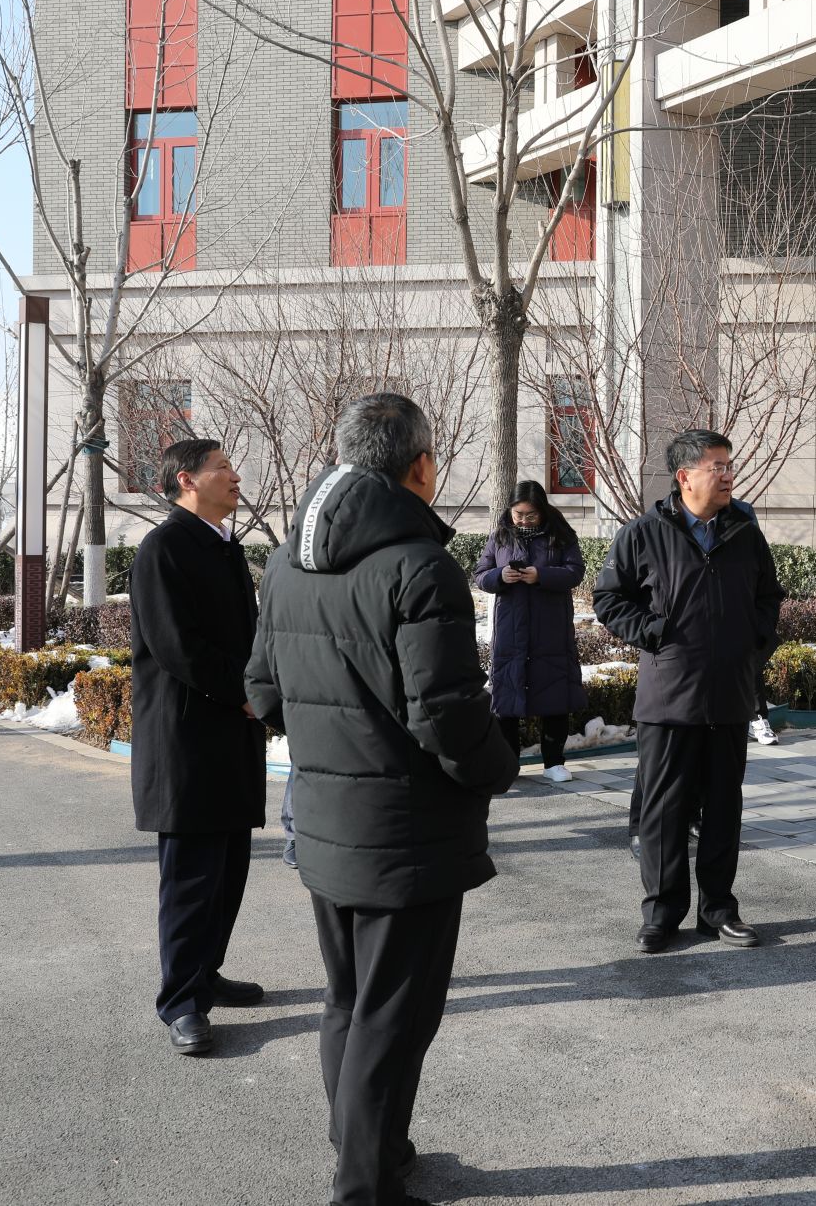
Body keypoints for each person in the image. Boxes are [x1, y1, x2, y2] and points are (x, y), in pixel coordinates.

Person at [245, 393, 517, 1206]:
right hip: (406, 831)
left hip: (324, 817)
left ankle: (371, 1148)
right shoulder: (420, 566)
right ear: (420, 466)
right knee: (394, 1014)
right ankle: (362, 1186)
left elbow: (263, 690)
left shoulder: (286, 561)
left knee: (349, 1001)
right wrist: (497, 766)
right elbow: (448, 716)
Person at [594, 429, 784, 954]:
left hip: (729, 695)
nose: (727, 475)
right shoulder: (642, 533)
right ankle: (661, 913)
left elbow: (768, 597)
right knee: (663, 813)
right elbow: (609, 600)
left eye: (729, 465)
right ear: (685, 477)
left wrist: (753, 645)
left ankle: (718, 911)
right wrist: (655, 633)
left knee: (723, 809)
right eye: (716, 466)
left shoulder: (744, 531)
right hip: (668, 698)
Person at [128, 437, 267, 1057]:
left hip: (231, 732)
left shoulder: (223, 545)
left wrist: (261, 687)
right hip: (186, 738)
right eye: (222, 467)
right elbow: (176, 646)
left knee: (228, 868)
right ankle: (181, 1002)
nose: (235, 476)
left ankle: (206, 973)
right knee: (190, 878)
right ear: (186, 480)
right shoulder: (164, 549)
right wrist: (245, 691)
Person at [473, 481, 588, 785]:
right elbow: (480, 575)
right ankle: (509, 764)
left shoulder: (560, 535)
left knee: (554, 694)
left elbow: (575, 571)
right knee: (507, 698)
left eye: (530, 515)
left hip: (550, 628)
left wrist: (541, 575)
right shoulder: (499, 536)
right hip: (510, 628)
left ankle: (554, 761)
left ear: (543, 511)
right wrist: (501, 575)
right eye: (518, 514)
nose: (523, 520)